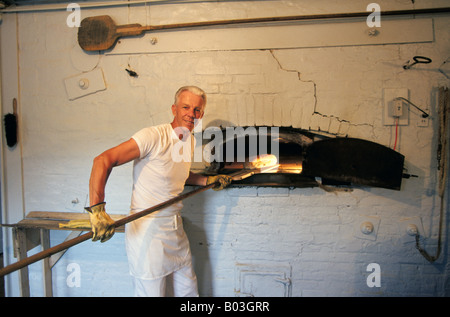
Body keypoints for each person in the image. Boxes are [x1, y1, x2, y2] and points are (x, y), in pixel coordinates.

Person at [85, 86, 232, 296]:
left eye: (197, 110)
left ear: (202, 115)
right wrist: (97, 210)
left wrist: (208, 180)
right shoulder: (152, 136)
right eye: (186, 107)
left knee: (188, 293)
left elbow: (179, 173)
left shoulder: (188, 140)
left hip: (175, 229)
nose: (192, 114)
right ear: (174, 109)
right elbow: (103, 160)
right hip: (148, 233)